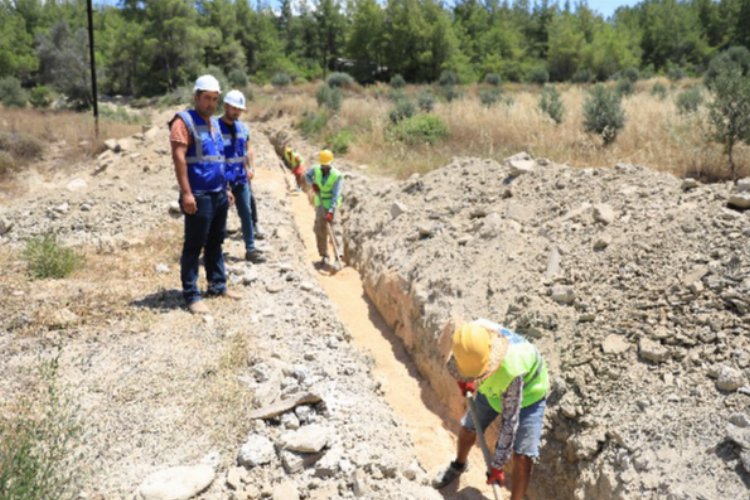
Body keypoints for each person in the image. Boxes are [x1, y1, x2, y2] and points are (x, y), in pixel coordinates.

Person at [433, 319, 549, 500]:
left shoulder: (512, 370)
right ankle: (459, 465)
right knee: (468, 427)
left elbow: (510, 423)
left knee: (522, 456)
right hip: (492, 388)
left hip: (528, 395)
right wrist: (465, 380)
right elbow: (458, 363)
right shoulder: (470, 339)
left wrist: (497, 466)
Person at [169, 74, 240, 314]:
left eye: (214, 99)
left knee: (215, 243)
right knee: (194, 246)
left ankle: (218, 286)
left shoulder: (215, 124)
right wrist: (186, 193)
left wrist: (227, 189)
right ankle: (191, 294)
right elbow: (179, 159)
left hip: (218, 193)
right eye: (207, 98)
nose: (211, 103)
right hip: (198, 194)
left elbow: (218, 159)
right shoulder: (184, 122)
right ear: (196, 97)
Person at [219, 89, 266, 263]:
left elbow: (248, 149)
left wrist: (250, 167)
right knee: (219, 215)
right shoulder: (215, 127)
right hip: (222, 180)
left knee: (246, 212)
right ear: (225, 106)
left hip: (240, 178)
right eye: (234, 108)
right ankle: (216, 249)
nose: (237, 112)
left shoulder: (243, 128)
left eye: (239, 109)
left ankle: (251, 249)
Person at [303, 149, 342, 267]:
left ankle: (338, 257)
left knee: (335, 231)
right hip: (320, 202)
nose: (325, 167)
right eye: (323, 165)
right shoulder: (315, 169)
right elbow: (306, 176)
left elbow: (336, 195)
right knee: (319, 229)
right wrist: (313, 184)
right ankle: (324, 255)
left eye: (327, 165)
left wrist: (331, 211)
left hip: (332, 204)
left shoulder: (337, 175)